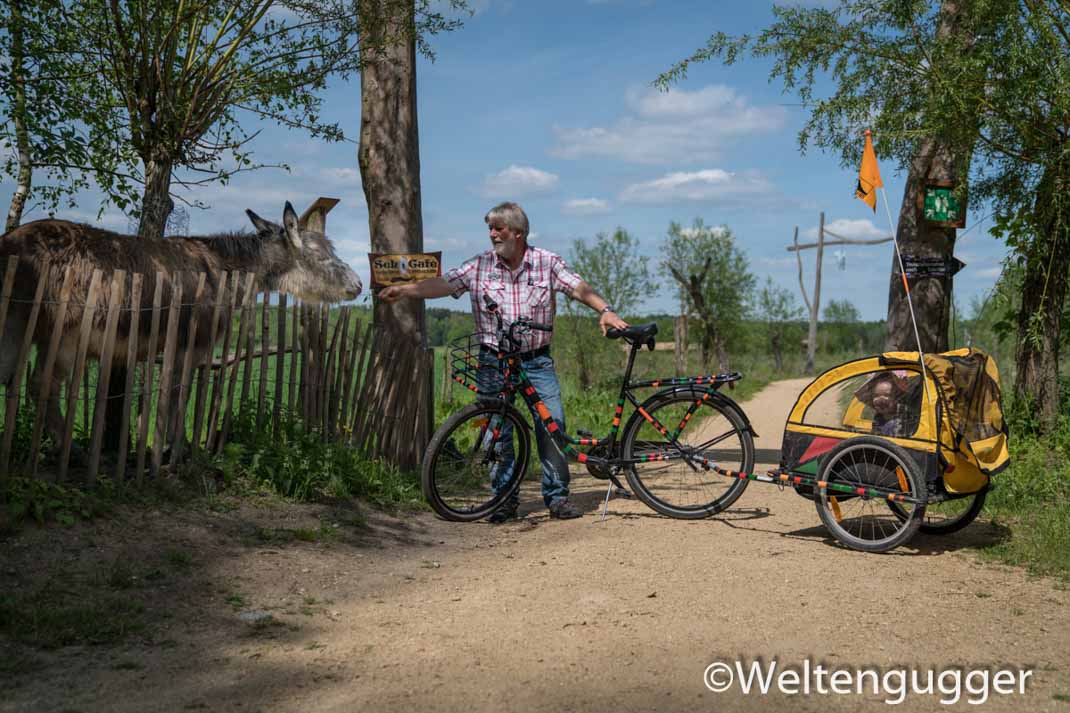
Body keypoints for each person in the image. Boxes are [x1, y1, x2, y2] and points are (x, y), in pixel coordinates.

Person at [379, 202, 628, 522]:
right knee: (496, 430)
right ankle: (504, 499)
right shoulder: (480, 266)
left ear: (518, 233)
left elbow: (578, 287)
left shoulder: (546, 263)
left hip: (536, 361)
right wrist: (405, 290)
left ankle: (557, 497)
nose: (492, 234)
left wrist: (605, 309)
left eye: (499, 228)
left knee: (552, 424)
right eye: (490, 229)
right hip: (493, 359)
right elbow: (445, 283)